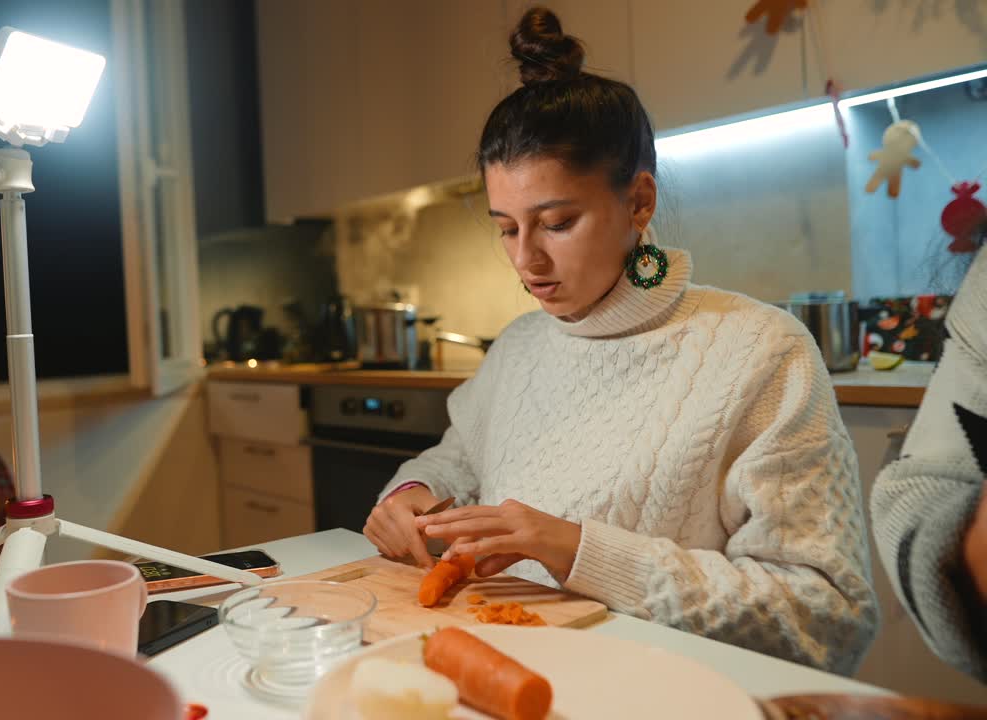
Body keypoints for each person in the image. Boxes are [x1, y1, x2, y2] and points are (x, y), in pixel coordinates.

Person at [363, 7, 877, 674]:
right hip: (521, 677)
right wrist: (409, 503)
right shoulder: (520, 348)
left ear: (639, 201)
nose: (527, 261)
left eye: (556, 222)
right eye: (506, 228)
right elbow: (450, 466)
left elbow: (828, 616)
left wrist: (578, 549)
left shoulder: (762, 353)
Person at [872, 242, 987, 681]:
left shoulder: (769, 344)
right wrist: (968, 548)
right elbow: (921, 486)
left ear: (642, 201)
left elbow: (828, 610)